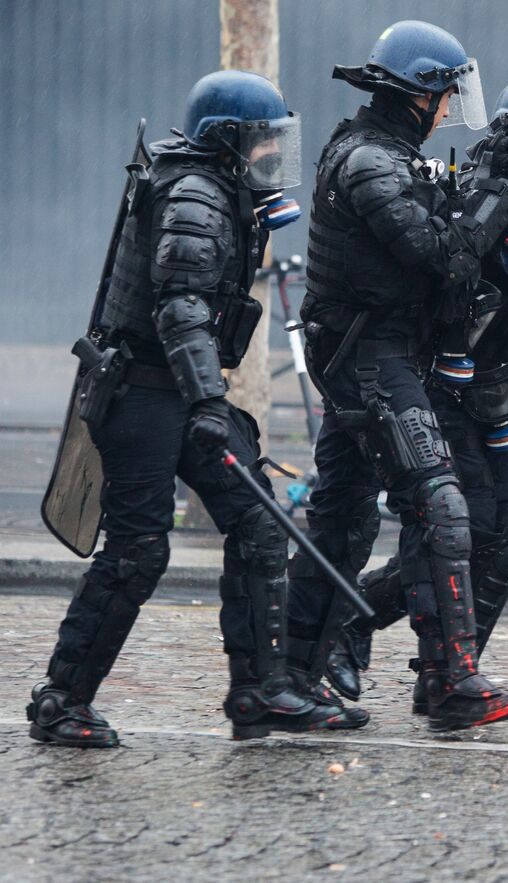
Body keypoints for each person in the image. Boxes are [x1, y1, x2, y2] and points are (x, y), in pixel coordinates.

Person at [26, 71, 353, 746]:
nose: (271, 155)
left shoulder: (219, 189)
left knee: (257, 521)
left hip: (176, 389)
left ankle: (261, 690)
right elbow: (181, 307)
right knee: (139, 550)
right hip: (145, 394)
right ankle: (61, 698)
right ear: (227, 140)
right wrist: (209, 400)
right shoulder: (196, 196)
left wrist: (203, 398)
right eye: (262, 141)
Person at [286, 20, 508, 732]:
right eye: (441, 97)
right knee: (440, 504)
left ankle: (291, 677)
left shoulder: (389, 153)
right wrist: (491, 201)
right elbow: (438, 255)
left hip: (376, 355)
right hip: (370, 360)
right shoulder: (370, 160)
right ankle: (451, 679)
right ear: (416, 94)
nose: (444, 114)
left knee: (342, 518)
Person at [320, 77, 508, 706]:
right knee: (466, 525)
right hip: (449, 389)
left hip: (496, 387)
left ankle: (452, 664)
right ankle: (398, 646)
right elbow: (463, 278)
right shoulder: (486, 192)